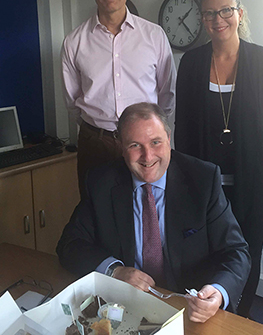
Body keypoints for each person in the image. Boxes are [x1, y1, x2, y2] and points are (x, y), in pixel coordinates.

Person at [57, 102, 250, 323]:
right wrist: (114, 271)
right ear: (121, 146)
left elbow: (236, 251)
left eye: (155, 142)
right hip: (125, 308)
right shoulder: (101, 182)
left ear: (168, 138)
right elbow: (69, 244)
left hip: (188, 310)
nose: (147, 157)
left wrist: (218, 291)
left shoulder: (203, 179)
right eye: (135, 145)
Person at [174, 0, 263, 318]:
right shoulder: (192, 63)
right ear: (202, 18)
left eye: (225, 10)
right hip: (205, 184)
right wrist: (181, 179)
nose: (218, 20)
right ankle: (209, 314)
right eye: (210, 13)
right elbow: (181, 126)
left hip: (256, 182)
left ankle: (239, 319)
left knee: (247, 253)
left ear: (239, 13)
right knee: (207, 253)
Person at [61, 0, 176, 195]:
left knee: (150, 210)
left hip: (146, 146)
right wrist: (98, 131)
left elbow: (167, 94)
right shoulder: (74, 42)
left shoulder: (154, 36)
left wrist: (153, 135)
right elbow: (73, 102)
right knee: (98, 217)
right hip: (96, 144)